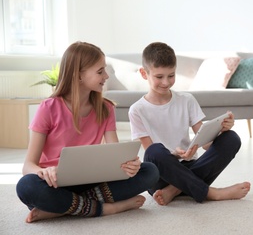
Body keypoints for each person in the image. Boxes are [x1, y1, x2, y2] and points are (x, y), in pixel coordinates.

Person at [16, 41, 159, 223]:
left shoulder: (105, 108)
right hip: (55, 185)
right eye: (100, 71)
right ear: (78, 76)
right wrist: (44, 172)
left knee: (150, 171)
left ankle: (64, 209)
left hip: (91, 182)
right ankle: (107, 208)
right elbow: (28, 166)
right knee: (27, 187)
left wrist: (130, 165)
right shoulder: (48, 108)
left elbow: (115, 157)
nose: (106, 76)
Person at [129, 42, 251, 206]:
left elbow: (207, 145)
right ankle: (212, 193)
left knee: (232, 138)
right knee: (154, 151)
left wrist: (221, 130)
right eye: (159, 77)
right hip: (160, 176)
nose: (166, 82)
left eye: (171, 75)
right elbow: (150, 152)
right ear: (144, 74)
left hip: (191, 167)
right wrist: (177, 154)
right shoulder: (137, 110)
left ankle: (174, 190)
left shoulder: (186, 100)